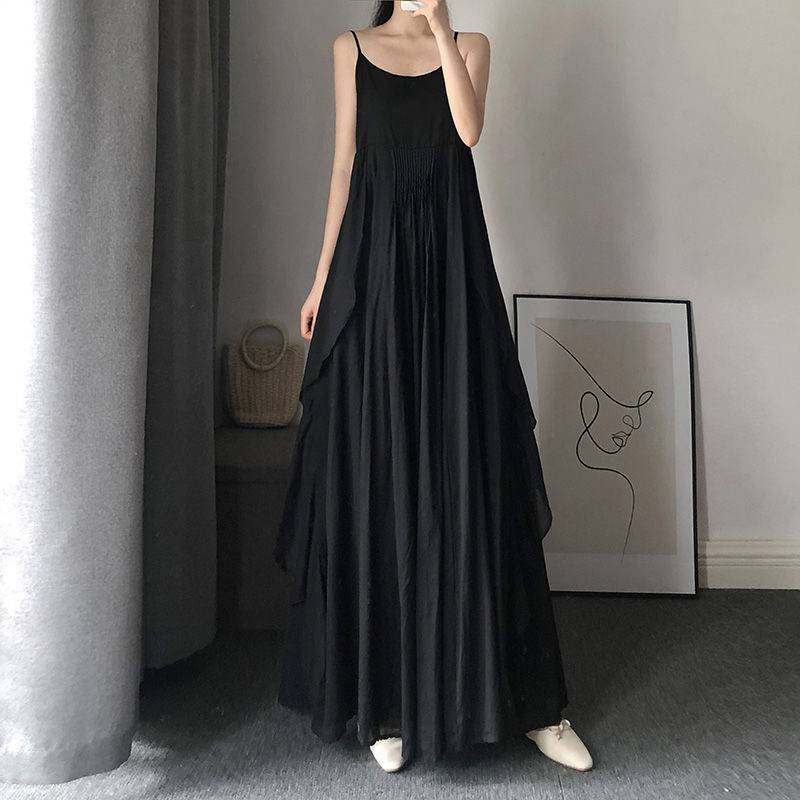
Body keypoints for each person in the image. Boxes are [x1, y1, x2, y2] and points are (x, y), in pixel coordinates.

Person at [274, 0, 593, 774]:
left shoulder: (470, 44)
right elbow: (345, 165)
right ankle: (382, 704)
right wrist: (320, 279)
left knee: (475, 462)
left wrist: (444, 31)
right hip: (374, 272)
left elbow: (469, 130)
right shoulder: (350, 47)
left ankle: (533, 705)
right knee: (382, 469)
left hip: (452, 271)